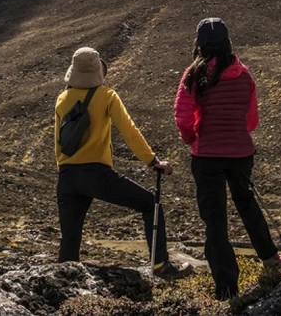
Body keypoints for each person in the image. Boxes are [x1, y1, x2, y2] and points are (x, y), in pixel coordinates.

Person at [174, 18, 281, 301]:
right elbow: (252, 119)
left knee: (215, 219)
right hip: (240, 153)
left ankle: (226, 287)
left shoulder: (193, 75)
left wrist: (191, 138)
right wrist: (236, 133)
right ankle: (270, 257)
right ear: (227, 42)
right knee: (247, 203)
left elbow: (182, 115)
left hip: (207, 155)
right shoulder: (244, 74)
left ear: (199, 44)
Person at [55, 47, 191, 278]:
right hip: (96, 174)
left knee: (70, 238)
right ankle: (161, 266)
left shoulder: (62, 99)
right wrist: (152, 160)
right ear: (98, 71)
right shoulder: (107, 96)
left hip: (66, 177)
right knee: (150, 204)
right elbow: (130, 132)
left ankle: (64, 284)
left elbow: (59, 142)